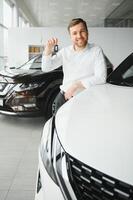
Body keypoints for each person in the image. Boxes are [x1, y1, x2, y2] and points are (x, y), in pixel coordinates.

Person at [42, 18, 107, 114]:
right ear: (70, 36)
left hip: (86, 99)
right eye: (75, 33)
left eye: (82, 31)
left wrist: (76, 85)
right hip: (63, 98)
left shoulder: (96, 50)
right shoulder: (65, 52)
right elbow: (46, 68)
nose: (79, 36)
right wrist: (48, 50)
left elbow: (101, 78)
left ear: (87, 32)